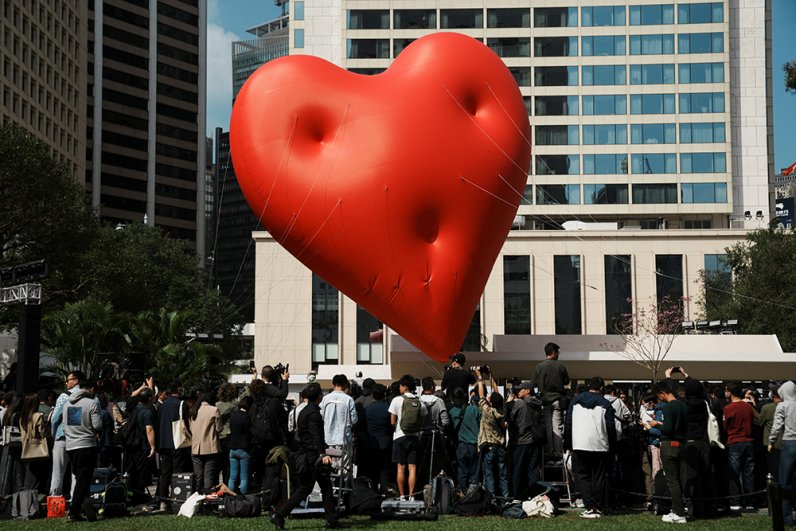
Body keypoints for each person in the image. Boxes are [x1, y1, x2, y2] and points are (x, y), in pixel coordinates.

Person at [269, 382, 345, 529]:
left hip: (307, 454)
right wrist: (322, 454)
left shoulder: (304, 411)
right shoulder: (314, 414)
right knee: (309, 488)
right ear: (319, 396)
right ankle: (279, 514)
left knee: (321, 486)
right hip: (313, 457)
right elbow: (316, 436)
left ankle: (332, 519)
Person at [565, 376, 615, 519]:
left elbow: (568, 422)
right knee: (598, 477)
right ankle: (597, 507)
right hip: (600, 444)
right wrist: (612, 445)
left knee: (581, 476)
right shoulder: (606, 403)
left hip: (579, 443)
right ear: (601, 389)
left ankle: (589, 506)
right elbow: (610, 427)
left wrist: (568, 443)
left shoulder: (575, 400)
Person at [666, 367, 712, 519]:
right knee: (705, 477)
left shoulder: (685, 404)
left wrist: (668, 377)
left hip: (691, 444)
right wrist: (686, 375)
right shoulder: (704, 402)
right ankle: (706, 509)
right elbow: (698, 388)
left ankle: (694, 511)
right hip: (704, 443)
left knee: (691, 479)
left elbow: (672, 394)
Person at [63, 378, 102, 521]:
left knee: (80, 478)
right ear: (91, 389)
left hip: (71, 445)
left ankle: (87, 509)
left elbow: (66, 425)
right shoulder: (91, 403)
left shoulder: (68, 403)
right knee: (83, 480)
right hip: (86, 445)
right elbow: (97, 425)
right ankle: (73, 512)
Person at [651, 380, 688, 524]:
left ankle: (678, 513)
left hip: (669, 445)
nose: (659, 398)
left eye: (658, 395)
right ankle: (678, 509)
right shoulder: (683, 406)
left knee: (672, 481)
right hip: (681, 444)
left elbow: (667, 429)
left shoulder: (668, 408)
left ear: (662, 392)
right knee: (679, 479)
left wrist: (656, 424)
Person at [388, 374, 427, 499]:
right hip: (414, 437)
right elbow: (423, 420)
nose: (399, 388)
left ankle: (402, 495)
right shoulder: (419, 400)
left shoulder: (396, 400)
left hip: (400, 436)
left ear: (405, 387)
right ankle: (411, 495)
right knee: (412, 468)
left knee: (401, 467)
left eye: (400, 386)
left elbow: (392, 421)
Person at [531, 342, 570, 463]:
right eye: (557, 352)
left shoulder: (539, 367)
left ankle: (549, 453)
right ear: (553, 353)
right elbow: (566, 381)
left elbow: (533, 384)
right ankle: (558, 454)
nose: (558, 355)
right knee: (557, 426)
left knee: (548, 427)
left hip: (545, 400)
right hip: (558, 399)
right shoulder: (560, 366)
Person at [156, 383, 190, 511]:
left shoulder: (162, 405)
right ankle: (176, 499)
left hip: (164, 442)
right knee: (178, 472)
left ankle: (163, 501)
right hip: (177, 442)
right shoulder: (182, 404)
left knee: (165, 473)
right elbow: (186, 423)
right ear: (179, 390)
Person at [50, 369, 84, 497]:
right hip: (79, 438)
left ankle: (54, 499)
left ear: (75, 381)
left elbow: (55, 418)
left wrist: (54, 434)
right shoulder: (89, 396)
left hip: (62, 437)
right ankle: (75, 499)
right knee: (76, 472)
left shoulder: (65, 396)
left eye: (68, 380)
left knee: (58, 471)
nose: (66, 383)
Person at [475, 368, 508, 499]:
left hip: (489, 446)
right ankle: (505, 498)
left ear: (492, 402)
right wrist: (491, 376)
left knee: (489, 475)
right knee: (502, 474)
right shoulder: (502, 411)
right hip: (500, 446)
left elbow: (481, 395)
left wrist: (479, 377)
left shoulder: (488, 410)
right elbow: (497, 394)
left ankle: (492, 499)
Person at [320, 374, 358, 486]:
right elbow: (354, 419)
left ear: (333, 384)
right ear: (345, 384)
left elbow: (320, 416)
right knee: (345, 467)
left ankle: (330, 489)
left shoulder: (325, 399)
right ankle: (343, 489)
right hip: (343, 439)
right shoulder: (349, 399)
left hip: (328, 439)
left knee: (329, 466)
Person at [723, 382, 756, 511]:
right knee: (749, 473)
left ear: (729, 393)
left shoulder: (728, 408)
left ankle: (735, 500)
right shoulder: (748, 407)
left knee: (734, 473)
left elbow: (725, 426)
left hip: (734, 441)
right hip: (749, 441)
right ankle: (750, 500)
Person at [508, 381, 544, 498]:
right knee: (533, 471)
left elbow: (510, 419)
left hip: (521, 441)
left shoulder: (520, 404)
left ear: (527, 391)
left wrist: (509, 403)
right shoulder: (538, 404)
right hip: (535, 441)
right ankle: (534, 497)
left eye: (521, 389)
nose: (518, 392)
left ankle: (517, 497)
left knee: (517, 471)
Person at [770, 380, 796, 526]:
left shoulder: (782, 406)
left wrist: (771, 441)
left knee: (785, 480)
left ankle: (787, 518)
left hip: (789, 443)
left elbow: (777, 426)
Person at [449, 386, 481, 493]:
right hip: (475, 445)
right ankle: (473, 496)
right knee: (474, 473)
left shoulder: (452, 412)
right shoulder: (474, 409)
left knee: (462, 472)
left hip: (461, 446)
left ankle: (463, 494)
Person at [361, 384, 393, 491]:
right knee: (385, 468)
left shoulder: (367, 409)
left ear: (372, 395)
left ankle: (373, 490)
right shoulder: (388, 409)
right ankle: (384, 489)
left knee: (372, 469)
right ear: (384, 394)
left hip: (371, 443)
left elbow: (363, 427)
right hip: (386, 442)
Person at [190, 392, 222, 493]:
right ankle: (207, 499)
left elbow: (191, 428)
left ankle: (197, 495)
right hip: (210, 448)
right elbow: (219, 428)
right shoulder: (214, 410)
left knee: (198, 475)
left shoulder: (193, 410)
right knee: (209, 476)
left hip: (195, 447)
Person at [127, 388, 157, 497]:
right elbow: (149, 430)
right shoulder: (147, 412)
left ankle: (133, 494)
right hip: (142, 445)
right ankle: (138, 496)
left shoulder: (134, 408)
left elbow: (131, 396)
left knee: (133, 472)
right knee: (141, 472)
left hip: (132, 444)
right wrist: (153, 447)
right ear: (149, 398)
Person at [18, 392, 49, 493]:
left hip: (26, 449)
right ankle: (32, 500)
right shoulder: (37, 416)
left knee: (28, 475)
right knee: (35, 477)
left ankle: (26, 499)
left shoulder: (22, 417)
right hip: (36, 450)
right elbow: (42, 433)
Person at [228, 395, 253, 494]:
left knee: (232, 477)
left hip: (232, 449)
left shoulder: (233, 415)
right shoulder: (246, 417)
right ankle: (244, 498)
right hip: (243, 449)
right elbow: (248, 432)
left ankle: (230, 497)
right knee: (244, 477)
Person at [758, 384, 783, 480]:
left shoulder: (767, 407)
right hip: (786, 443)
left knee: (772, 470)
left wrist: (752, 407)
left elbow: (759, 422)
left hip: (771, 444)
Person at [216, 383, 238, 484]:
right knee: (228, 465)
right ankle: (226, 485)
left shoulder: (216, 405)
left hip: (218, 436)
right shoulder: (235, 406)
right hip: (230, 436)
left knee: (217, 464)